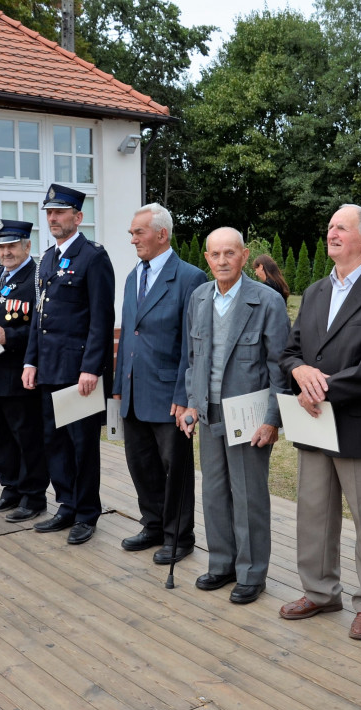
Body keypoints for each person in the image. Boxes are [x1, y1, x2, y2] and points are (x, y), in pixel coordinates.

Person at [277, 204, 361, 641]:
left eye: (342, 227)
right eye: (331, 227)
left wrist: (322, 388)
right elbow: (290, 350)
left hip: (359, 424)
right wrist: (299, 372)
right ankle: (320, 592)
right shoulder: (316, 291)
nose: (332, 233)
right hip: (314, 422)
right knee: (313, 513)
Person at [180, 227, 290, 603]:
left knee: (248, 498)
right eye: (215, 254)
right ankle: (222, 564)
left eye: (230, 253)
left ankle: (251, 573)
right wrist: (191, 404)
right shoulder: (197, 298)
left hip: (249, 417)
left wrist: (273, 419)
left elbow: (280, 367)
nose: (222, 261)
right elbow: (192, 360)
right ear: (206, 258)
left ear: (245, 256)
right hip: (207, 415)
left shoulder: (266, 301)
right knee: (213, 493)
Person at [113, 204, 206, 564]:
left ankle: (179, 536)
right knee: (142, 465)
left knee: (175, 470)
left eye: (138, 232)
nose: (132, 238)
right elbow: (129, 335)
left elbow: (191, 344)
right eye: (132, 233)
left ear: (161, 234)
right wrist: (120, 384)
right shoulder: (134, 276)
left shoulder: (190, 278)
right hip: (135, 392)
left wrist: (186, 395)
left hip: (170, 395)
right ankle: (152, 525)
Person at [23, 183, 115, 546]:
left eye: (60, 212)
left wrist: (91, 367)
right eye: (49, 212)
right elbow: (38, 317)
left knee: (81, 444)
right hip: (48, 367)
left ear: (78, 217)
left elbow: (101, 318)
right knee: (54, 441)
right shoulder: (45, 258)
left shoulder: (93, 257)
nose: (53, 218)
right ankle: (66, 504)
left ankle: (87, 512)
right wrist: (31, 360)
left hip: (78, 371)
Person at [0, 219, 50, 522]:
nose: (6, 252)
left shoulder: (36, 276)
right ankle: (11, 488)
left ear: (27, 246)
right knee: (1, 436)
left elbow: (41, 325)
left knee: (27, 436)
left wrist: (10, 337)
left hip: (21, 370)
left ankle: (33, 496)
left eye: (12, 245)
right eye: (2, 246)